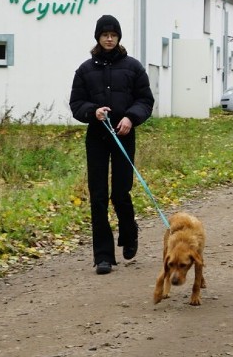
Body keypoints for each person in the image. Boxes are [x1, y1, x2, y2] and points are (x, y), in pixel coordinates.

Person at [70, 14, 155, 275]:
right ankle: (103, 256)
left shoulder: (133, 67)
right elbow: (76, 104)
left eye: (113, 35)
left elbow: (145, 100)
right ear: (98, 37)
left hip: (123, 135)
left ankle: (129, 233)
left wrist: (131, 117)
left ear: (118, 38)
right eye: (105, 34)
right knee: (98, 196)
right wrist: (92, 112)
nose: (109, 38)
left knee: (120, 192)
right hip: (97, 136)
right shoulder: (85, 70)